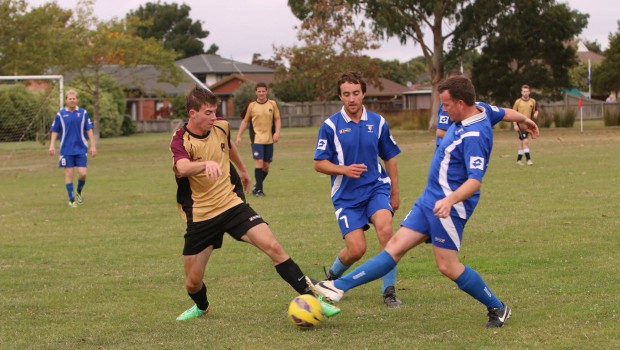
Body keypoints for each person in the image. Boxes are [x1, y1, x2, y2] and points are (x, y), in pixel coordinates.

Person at [307, 76, 539, 328]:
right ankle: (337, 287)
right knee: (394, 247)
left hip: (448, 208)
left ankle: (497, 307)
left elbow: (475, 181)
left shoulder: (475, 135)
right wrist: (524, 118)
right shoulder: (480, 108)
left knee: (447, 266)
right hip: (430, 200)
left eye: (447, 106)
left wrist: (449, 200)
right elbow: (503, 112)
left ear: (461, 103)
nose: (443, 111)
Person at [169, 85, 339, 321]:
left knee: (274, 247)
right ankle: (202, 306)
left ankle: (315, 300)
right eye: (208, 112)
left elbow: (228, 146)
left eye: (214, 112)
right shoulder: (180, 139)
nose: (213, 117)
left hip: (232, 205)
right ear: (192, 113)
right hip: (202, 216)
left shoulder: (221, 126)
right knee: (192, 282)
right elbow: (182, 167)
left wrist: (243, 170)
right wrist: (203, 164)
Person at [313, 71, 402, 307]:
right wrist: (344, 169)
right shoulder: (330, 126)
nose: (351, 99)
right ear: (340, 97)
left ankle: (389, 291)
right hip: (346, 197)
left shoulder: (378, 122)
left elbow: (390, 157)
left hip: (376, 188)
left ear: (363, 94)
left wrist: (395, 192)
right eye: (346, 94)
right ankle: (332, 277)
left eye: (355, 93)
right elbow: (318, 164)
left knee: (385, 230)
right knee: (356, 249)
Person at [48, 89, 97, 207]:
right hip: (66, 149)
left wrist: (93, 145)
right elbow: (55, 130)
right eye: (70, 99)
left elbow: (89, 129)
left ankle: (79, 192)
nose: (72, 100)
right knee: (69, 173)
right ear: (66, 100)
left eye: (74, 98)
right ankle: (71, 199)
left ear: (77, 100)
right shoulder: (60, 114)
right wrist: (52, 145)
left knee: (83, 174)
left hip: (81, 148)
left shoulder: (83, 113)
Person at [235, 82, 281, 197]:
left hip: (269, 139)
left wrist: (277, 133)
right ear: (256, 92)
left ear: (266, 91)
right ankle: (259, 190)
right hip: (256, 139)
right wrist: (239, 135)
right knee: (259, 162)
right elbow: (245, 121)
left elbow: (277, 120)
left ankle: (257, 184)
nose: (261, 93)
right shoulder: (251, 106)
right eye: (259, 91)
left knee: (266, 166)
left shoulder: (272, 104)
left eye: (263, 91)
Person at [512, 84, 538, 166]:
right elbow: (513, 114)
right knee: (525, 141)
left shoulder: (533, 101)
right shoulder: (518, 102)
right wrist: (515, 125)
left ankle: (518, 160)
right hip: (520, 125)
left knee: (522, 142)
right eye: (524, 91)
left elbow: (536, 110)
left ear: (529, 92)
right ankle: (528, 160)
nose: (525, 93)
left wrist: (536, 114)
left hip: (528, 125)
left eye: (527, 91)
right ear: (521, 92)